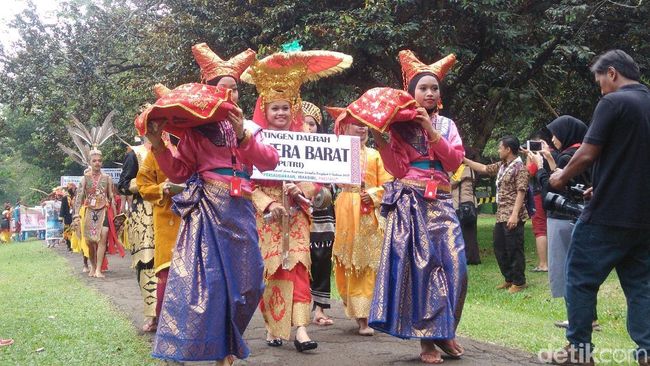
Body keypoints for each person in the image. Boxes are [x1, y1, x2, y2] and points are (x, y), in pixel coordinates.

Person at [149, 45, 279, 365]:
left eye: (234, 89)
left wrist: (242, 135)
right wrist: (158, 144)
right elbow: (179, 171)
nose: (229, 95)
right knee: (208, 282)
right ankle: (219, 350)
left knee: (250, 282)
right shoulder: (195, 133)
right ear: (210, 93)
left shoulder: (248, 128)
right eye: (222, 90)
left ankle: (230, 341)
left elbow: (270, 161)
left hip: (242, 209)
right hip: (208, 208)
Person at [242, 49, 351, 352]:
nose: (281, 113)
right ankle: (275, 327)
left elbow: (317, 183)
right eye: (275, 108)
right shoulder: (252, 140)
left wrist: (301, 191)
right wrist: (269, 203)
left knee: (300, 268)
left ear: (294, 110)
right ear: (265, 109)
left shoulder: (306, 142)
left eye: (285, 108)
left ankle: (301, 329)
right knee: (274, 269)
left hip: (298, 212)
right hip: (269, 217)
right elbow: (248, 184)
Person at [545, 50, 650, 365]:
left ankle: (578, 350)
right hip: (643, 218)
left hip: (607, 215)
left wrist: (561, 175)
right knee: (640, 286)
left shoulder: (614, 102)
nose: (600, 88)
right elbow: (630, 159)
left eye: (600, 80)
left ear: (613, 73)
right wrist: (602, 183)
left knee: (579, 277)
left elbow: (588, 153)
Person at [364, 84, 467, 364]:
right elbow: (397, 170)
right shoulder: (399, 126)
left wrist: (431, 132)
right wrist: (379, 137)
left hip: (443, 202)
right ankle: (427, 340)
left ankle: (445, 329)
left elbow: (454, 161)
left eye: (434, 88)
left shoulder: (447, 125)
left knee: (456, 267)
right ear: (413, 94)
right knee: (422, 271)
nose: (430, 93)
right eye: (423, 88)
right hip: (412, 201)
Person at [527, 116, 600, 332]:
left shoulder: (568, 157)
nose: (553, 138)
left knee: (568, 269)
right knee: (578, 268)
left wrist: (540, 168)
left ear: (568, 133)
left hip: (563, 216)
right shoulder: (584, 154)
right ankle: (588, 317)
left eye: (556, 133)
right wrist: (550, 161)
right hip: (580, 214)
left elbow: (552, 188)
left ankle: (578, 318)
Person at [327, 104, 393, 337]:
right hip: (346, 209)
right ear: (345, 126)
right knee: (347, 261)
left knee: (367, 262)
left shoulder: (376, 155)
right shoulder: (336, 151)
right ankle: (356, 312)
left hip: (369, 215)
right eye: (356, 124)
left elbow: (388, 183)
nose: (361, 128)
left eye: (364, 125)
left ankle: (368, 316)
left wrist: (373, 194)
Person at [136, 84, 182, 335]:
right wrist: (162, 189)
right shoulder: (149, 153)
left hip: (195, 215)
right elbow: (143, 185)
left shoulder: (191, 142)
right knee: (165, 271)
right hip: (165, 218)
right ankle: (163, 322)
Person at [464, 136, 530, 294]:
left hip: (513, 214)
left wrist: (514, 215)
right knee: (499, 247)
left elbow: (521, 192)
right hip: (501, 214)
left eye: (500, 147)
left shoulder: (519, 167)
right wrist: (464, 159)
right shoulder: (502, 165)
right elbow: (483, 168)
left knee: (514, 248)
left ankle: (519, 282)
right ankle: (509, 278)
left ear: (508, 150)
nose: (498, 150)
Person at [118, 139, 157, 332]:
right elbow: (123, 185)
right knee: (147, 262)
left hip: (169, 212)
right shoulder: (135, 153)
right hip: (144, 215)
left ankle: (169, 313)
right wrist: (145, 184)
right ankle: (151, 314)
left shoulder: (172, 148)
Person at [302, 101, 336, 326]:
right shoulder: (285, 147)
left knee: (322, 260)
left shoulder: (328, 150)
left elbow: (336, 180)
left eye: (312, 124)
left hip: (323, 211)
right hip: (296, 211)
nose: (307, 128)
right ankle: (299, 308)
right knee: (299, 260)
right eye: (302, 124)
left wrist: (322, 191)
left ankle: (320, 309)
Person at [73, 151, 117, 278]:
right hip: (89, 211)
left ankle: (98, 269)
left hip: (104, 210)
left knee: (102, 238)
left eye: (99, 160)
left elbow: (112, 197)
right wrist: (76, 215)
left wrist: (115, 216)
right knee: (89, 241)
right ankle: (92, 265)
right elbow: (79, 198)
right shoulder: (85, 179)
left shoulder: (107, 178)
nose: (97, 163)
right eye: (94, 161)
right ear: (90, 163)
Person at [450, 151, 481, 265]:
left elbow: (452, 182)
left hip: (462, 205)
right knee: (470, 232)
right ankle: (472, 257)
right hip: (470, 203)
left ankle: (469, 258)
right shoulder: (473, 169)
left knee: (465, 232)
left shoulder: (464, 168)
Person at [527, 132, 550, 273]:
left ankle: (543, 264)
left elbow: (529, 172)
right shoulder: (553, 154)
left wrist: (529, 159)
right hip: (552, 193)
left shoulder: (537, 157)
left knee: (540, 228)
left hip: (539, 194)